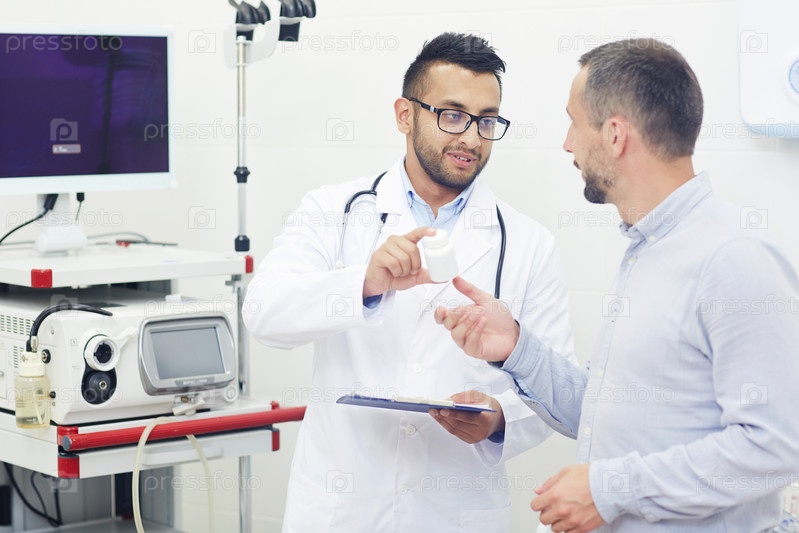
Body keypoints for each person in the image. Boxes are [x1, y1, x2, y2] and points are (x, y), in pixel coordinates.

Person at [435, 38, 799, 532]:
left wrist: (609, 489)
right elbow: (603, 412)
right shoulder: (647, 250)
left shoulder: (733, 256)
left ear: (614, 135)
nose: (567, 144)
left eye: (574, 122)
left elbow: (775, 445)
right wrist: (515, 347)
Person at [242, 32, 576, 533]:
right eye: (453, 115)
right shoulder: (333, 211)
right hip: (343, 509)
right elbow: (263, 312)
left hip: (453, 511)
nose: (471, 138)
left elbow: (556, 386)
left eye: (486, 121)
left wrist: (499, 418)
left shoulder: (529, 243)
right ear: (405, 115)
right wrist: (363, 284)